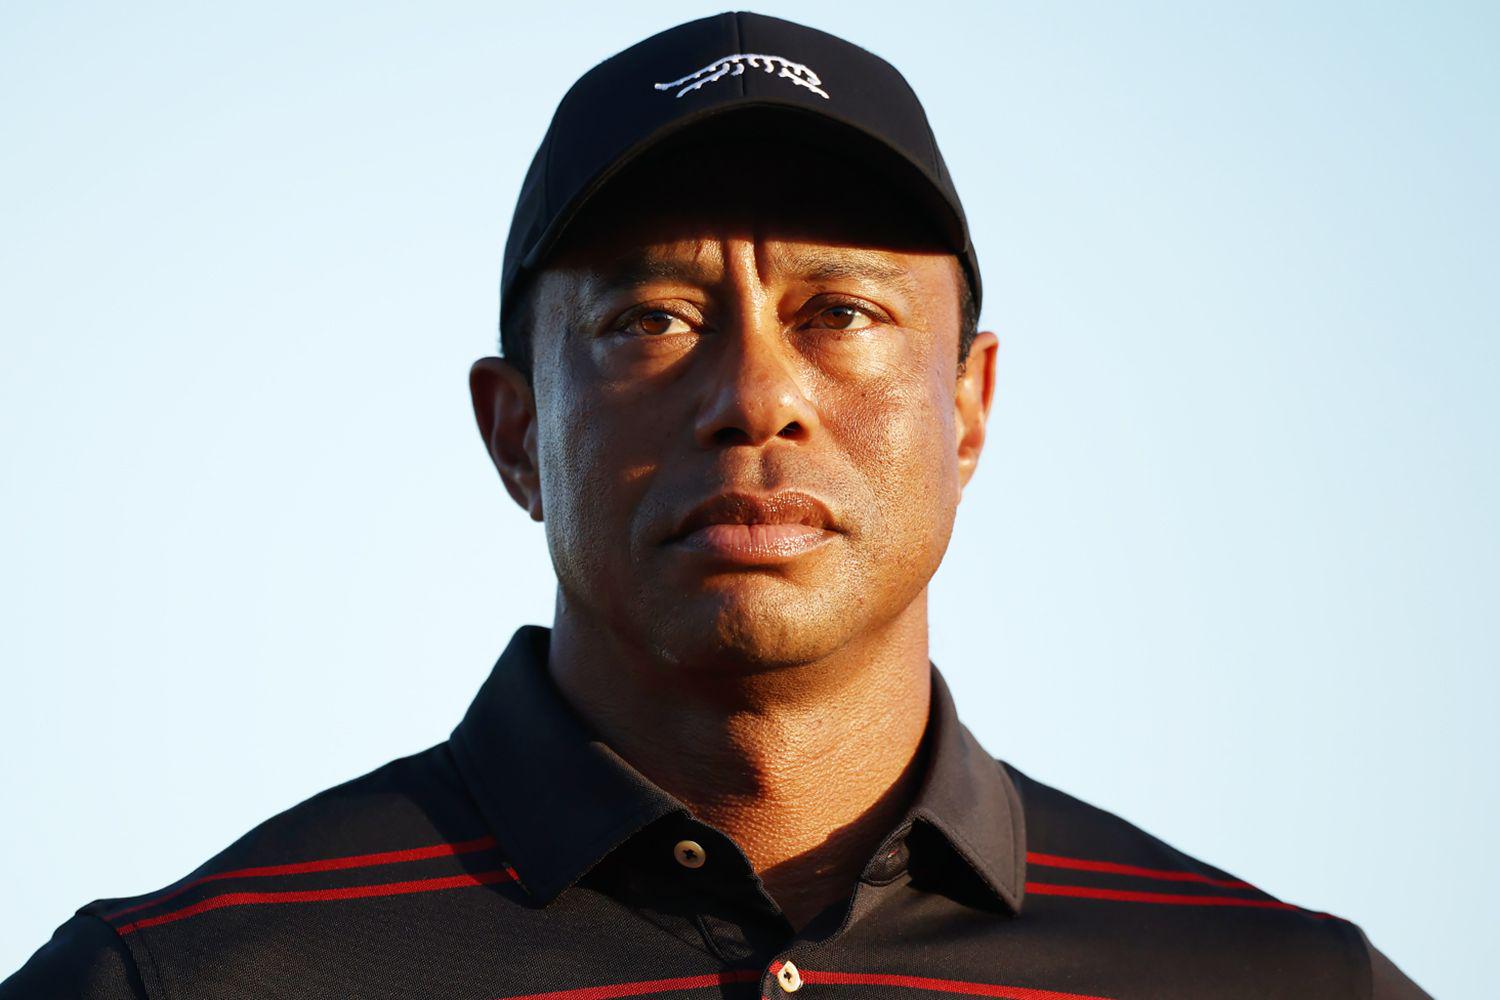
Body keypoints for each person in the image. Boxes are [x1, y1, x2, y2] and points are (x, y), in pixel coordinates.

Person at [3, 12, 1429, 1000]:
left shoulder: (1279, 984)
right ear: (516, 433)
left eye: (841, 312)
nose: (755, 397)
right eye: (652, 321)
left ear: (969, 406)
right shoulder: (184, 981)